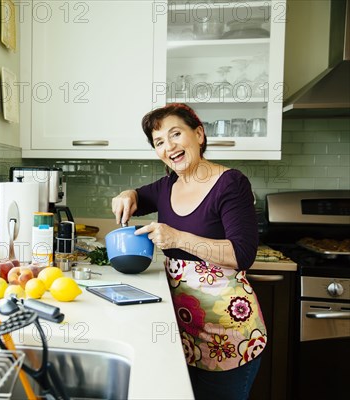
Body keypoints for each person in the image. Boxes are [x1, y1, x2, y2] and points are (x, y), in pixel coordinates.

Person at [112, 103, 266, 400]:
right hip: (183, 332)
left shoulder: (230, 183)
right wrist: (126, 194)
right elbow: (137, 197)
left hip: (226, 333)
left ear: (198, 134)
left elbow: (242, 253)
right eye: (159, 142)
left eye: (175, 134)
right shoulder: (168, 185)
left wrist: (177, 238)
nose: (169, 146)